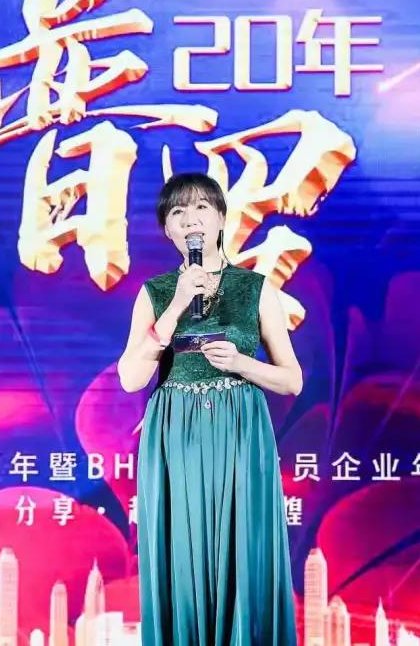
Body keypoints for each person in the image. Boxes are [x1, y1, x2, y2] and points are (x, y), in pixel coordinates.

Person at [118, 173, 303, 646]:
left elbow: (292, 379)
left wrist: (241, 363)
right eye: (177, 212)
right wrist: (177, 305)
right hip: (175, 436)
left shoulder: (255, 288)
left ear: (221, 219)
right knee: (182, 553)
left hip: (240, 432)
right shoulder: (156, 292)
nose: (190, 220)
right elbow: (131, 377)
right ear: (167, 229)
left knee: (242, 552)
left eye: (201, 208)